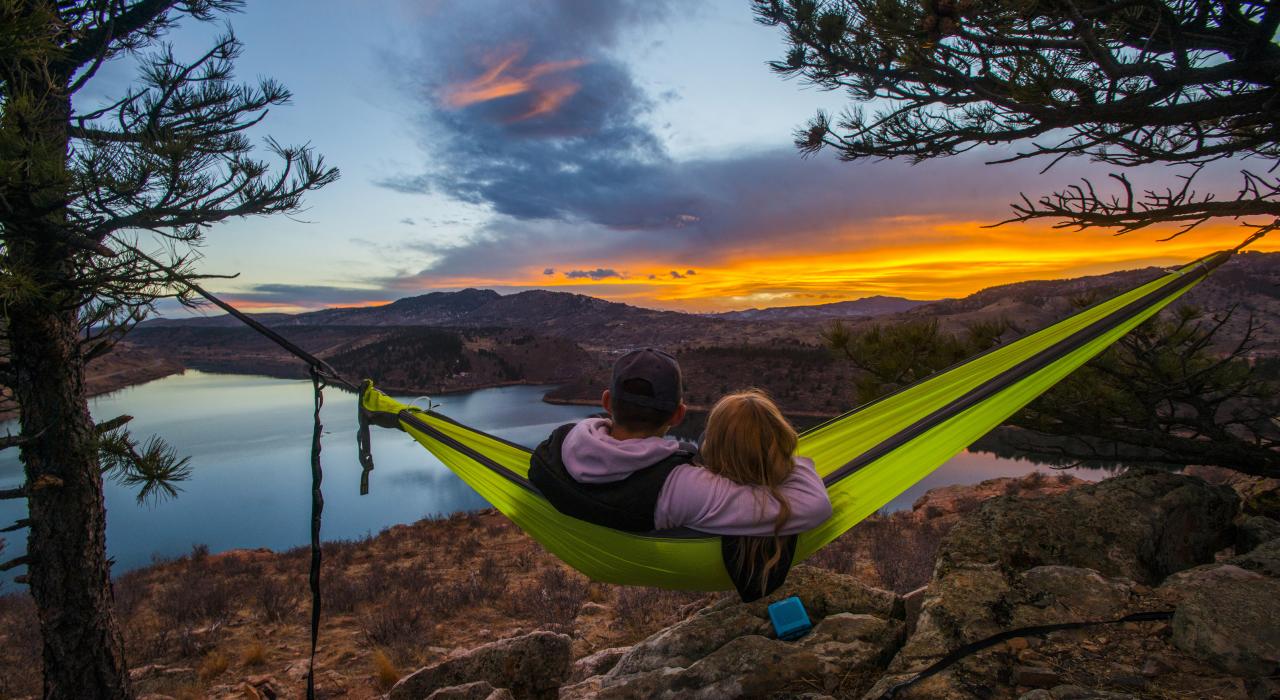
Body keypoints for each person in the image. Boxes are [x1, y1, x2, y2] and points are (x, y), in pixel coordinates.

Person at [529, 348, 832, 595]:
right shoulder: (681, 487)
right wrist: (785, 453)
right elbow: (813, 505)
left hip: (589, 549)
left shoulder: (558, 446)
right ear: (678, 414)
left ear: (607, 401)